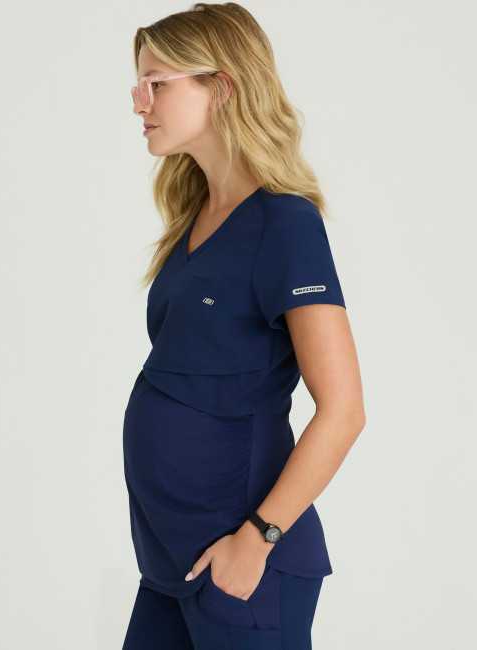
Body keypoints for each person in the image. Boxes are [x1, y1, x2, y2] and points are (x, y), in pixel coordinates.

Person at [123, 3, 366, 648]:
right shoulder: (193, 218)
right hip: (172, 560)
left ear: (222, 87)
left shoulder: (285, 224)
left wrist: (258, 537)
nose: (139, 101)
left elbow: (344, 409)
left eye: (157, 83)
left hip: (242, 564)